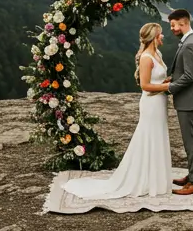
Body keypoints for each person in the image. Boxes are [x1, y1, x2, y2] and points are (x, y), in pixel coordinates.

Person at [63, 22, 172, 201]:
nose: (162, 37)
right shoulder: (146, 58)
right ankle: (145, 180)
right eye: (160, 34)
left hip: (160, 102)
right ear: (153, 37)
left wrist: (165, 80)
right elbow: (145, 85)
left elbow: (156, 79)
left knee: (159, 135)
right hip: (151, 103)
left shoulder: (157, 54)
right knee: (149, 136)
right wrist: (168, 86)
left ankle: (157, 179)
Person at [166, 8, 193, 195]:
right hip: (188, 99)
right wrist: (172, 77)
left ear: (183, 23)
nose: (172, 29)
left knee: (192, 143)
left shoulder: (190, 44)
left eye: (173, 25)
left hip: (189, 100)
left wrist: (169, 87)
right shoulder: (190, 40)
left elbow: (190, 76)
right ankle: (192, 176)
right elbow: (185, 71)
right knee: (190, 141)